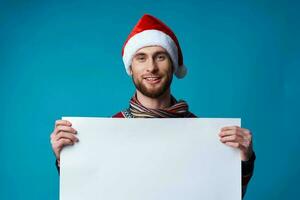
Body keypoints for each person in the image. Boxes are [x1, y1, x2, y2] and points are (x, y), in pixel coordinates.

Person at [50, 14, 255, 198]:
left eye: (160, 56)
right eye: (141, 58)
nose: (151, 67)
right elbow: (87, 191)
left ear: (173, 65)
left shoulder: (204, 134)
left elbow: (224, 194)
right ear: (130, 68)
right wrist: (67, 158)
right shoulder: (107, 130)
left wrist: (244, 161)